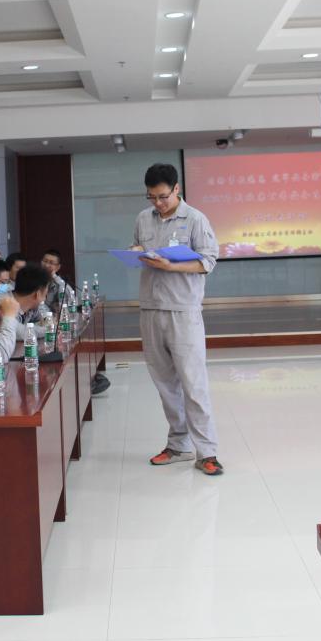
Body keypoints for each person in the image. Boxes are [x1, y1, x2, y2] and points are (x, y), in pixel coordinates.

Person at [132, 162, 222, 476]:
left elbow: (208, 261)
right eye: (151, 197)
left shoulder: (195, 219)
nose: (157, 203)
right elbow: (140, 247)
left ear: (176, 189)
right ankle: (179, 445)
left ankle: (207, 452)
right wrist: (136, 250)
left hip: (183, 311)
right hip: (150, 309)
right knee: (165, 385)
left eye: (163, 196)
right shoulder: (143, 218)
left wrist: (172, 267)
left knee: (193, 384)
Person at [41, 248, 110, 393]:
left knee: (71, 342)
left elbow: (67, 302)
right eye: (45, 261)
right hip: (43, 325)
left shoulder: (60, 284)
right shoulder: (34, 280)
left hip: (55, 324)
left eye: (51, 263)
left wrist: (56, 279)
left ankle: (81, 382)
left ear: (58, 267)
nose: (47, 265)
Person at [0, 265, 51, 357]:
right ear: (37, 294)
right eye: (45, 295)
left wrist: (47, 324)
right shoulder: (2, 304)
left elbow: (47, 319)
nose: (44, 299)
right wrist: (49, 329)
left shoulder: (31, 307)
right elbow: (18, 332)